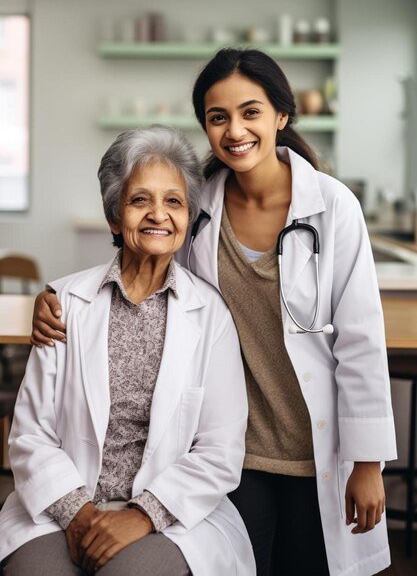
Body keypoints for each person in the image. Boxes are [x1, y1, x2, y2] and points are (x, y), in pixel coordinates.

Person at [30, 48, 397, 576]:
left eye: (251, 112)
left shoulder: (333, 207)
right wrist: (55, 297)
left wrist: (367, 462)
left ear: (281, 116)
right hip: (237, 451)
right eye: (217, 116)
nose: (234, 130)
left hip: (316, 447)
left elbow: (360, 338)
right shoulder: (199, 207)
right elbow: (140, 254)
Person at [0, 125, 256, 576]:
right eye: (140, 200)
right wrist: (80, 516)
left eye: (174, 201)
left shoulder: (210, 315)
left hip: (170, 516)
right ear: (115, 217)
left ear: (187, 217)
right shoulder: (64, 303)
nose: (158, 214)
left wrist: (141, 516)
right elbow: (30, 435)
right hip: (62, 508)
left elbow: (219, 449)